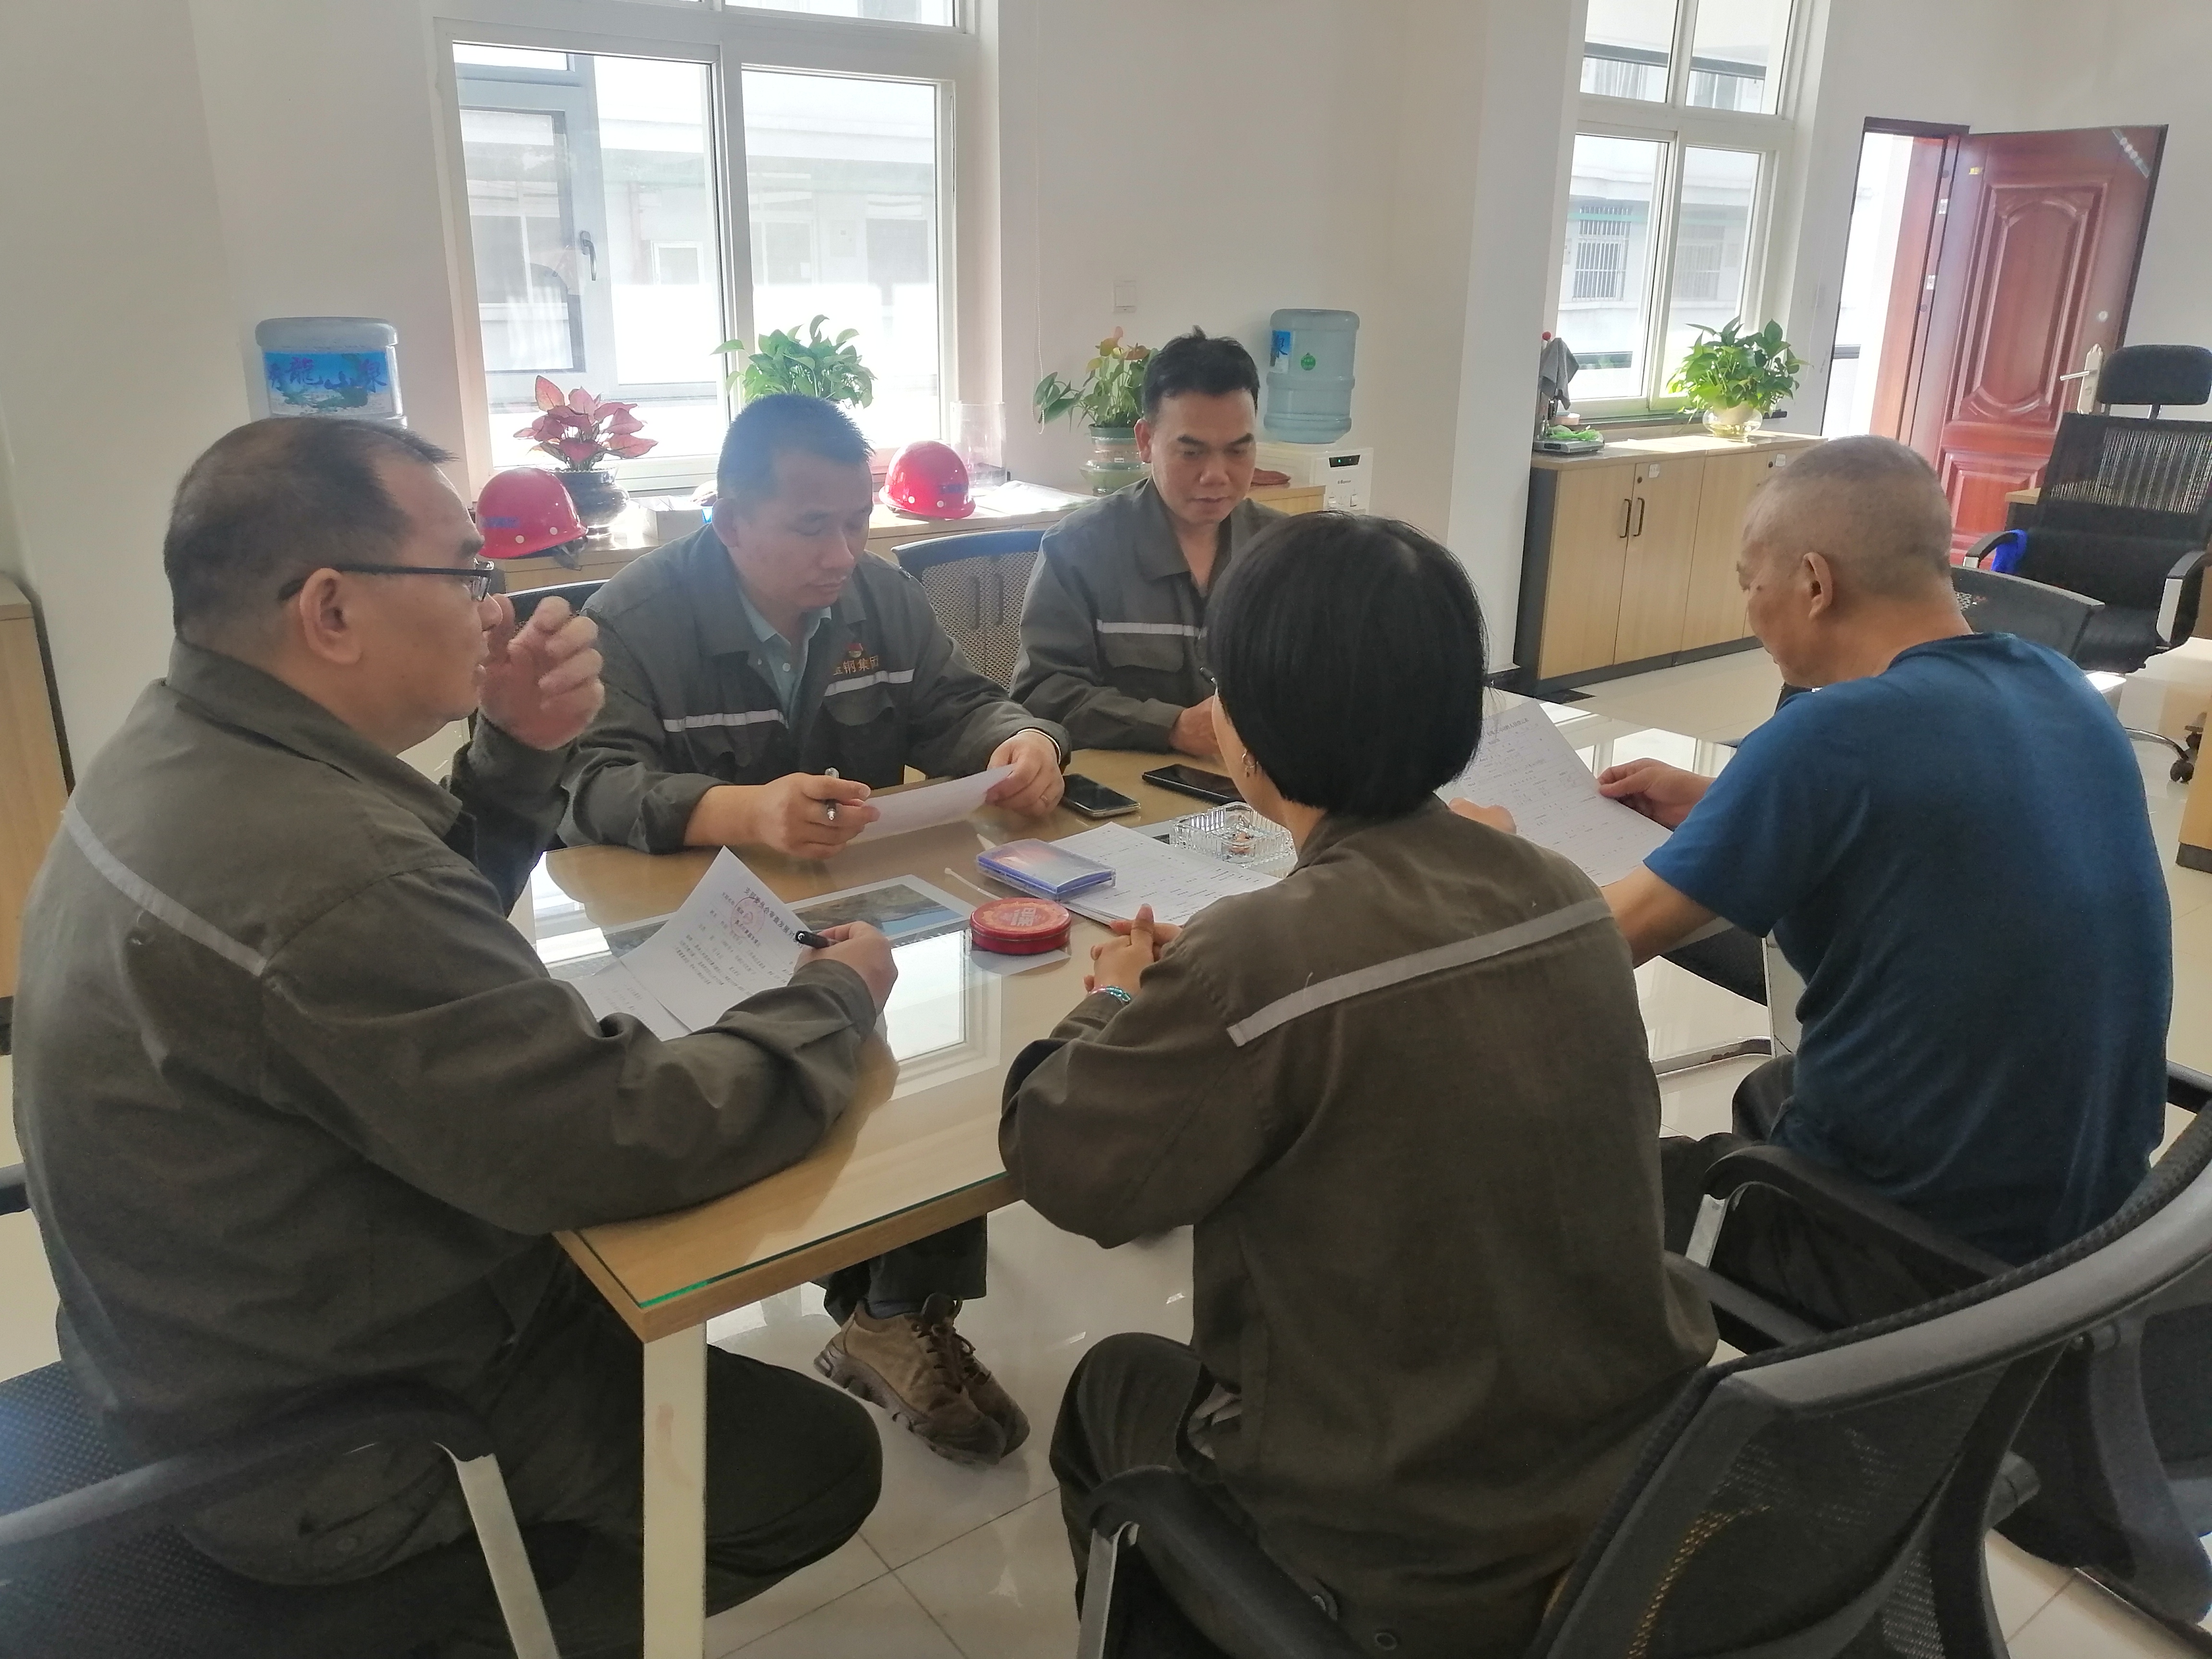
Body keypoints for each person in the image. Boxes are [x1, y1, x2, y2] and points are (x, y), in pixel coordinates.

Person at [12, 417, 896, 1656]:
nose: (495, 609)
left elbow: (396, 948)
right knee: (812, 1464)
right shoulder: (323, 867)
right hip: (335, 1437)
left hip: (205, 1336)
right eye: (467, 572)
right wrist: (835, 996)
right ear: (331, 609)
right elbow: (616, 1137)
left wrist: (518, 756)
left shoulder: (182, 745)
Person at [1001, 514, 1716, 1659]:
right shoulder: (1564, 892)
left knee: (1110, 1393)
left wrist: (1122, 997)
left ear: (1250, 732)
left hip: (1411, 1555)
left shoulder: (1252, 956)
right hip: (1638, 1499)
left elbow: (1065, 1165)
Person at [1465, 435, 2172, 1320]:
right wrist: (1727, 803)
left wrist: (1484, 851)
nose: (1749, 609)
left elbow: (1588, 945)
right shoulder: (2059, 687)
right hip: (2098, 1224)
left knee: (1536, 1178)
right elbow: (1930, 829)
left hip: (1909, 1254)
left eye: (1748, 581)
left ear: (1812, 581)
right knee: (1769, 1090)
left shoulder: (1830, 736)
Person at [562, 393, 1054, 1464]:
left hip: (856, 906)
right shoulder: (636, 616)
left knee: (936, 1072)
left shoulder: (880, 593)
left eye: (858, 520)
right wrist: (738, 810)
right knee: (770, 1091)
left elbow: (956, 706)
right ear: (729, 519)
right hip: (687, 931)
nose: (842, 553)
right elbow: (589, 785)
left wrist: (1018, 742)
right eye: (810, 526)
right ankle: (846, 1290)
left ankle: (894, 1309)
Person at [1011, 328, 1281, 754]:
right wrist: (1171, 727)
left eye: (1237, 451)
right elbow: (1043, 693)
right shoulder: (1079, 549)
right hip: (1129, 781)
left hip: (1256, 784)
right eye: (1191, 452)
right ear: (1145, 441)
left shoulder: (1285, 551)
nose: (1216, 475)